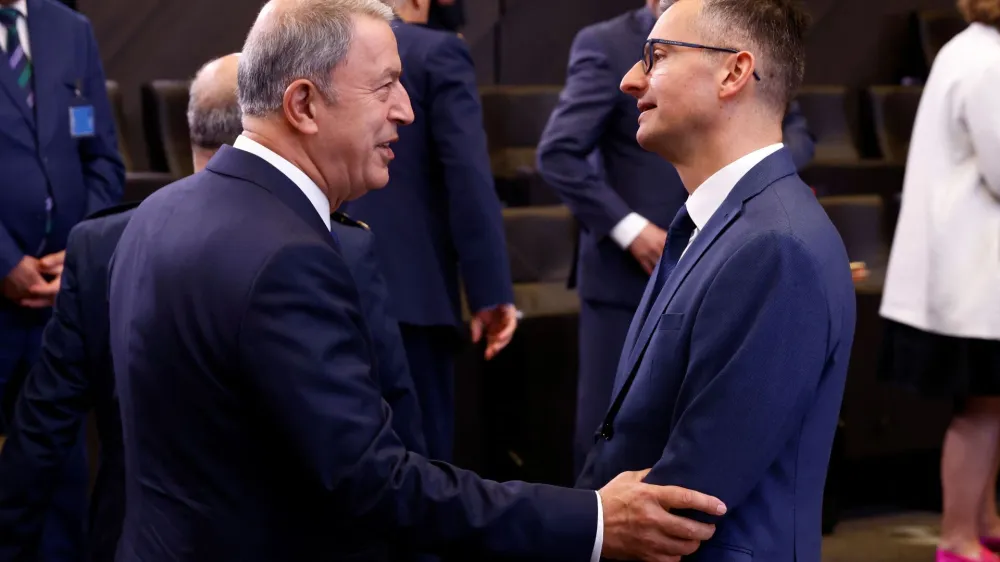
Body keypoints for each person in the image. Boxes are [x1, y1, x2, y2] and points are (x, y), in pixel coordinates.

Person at [108, 0, 726, 560]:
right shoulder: (287, 256)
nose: (405, 109)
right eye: (386, 87)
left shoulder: (158, 214)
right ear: (302, 105)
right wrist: (593, 518)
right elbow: (376, 483)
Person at [0, 51, 432, 562]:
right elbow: (396, 431)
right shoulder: (338, 247)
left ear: (190, 136)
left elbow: (42, 431)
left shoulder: (98, 245)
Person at [574, 0, 856, 561]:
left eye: (657, 56)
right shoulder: (718, 222)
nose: (631, 80)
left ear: (734, 72)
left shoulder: (775, 247)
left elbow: (690, 495)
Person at [535, 0, 816, 475]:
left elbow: (788, 124)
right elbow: (559, 153)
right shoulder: (603, 43)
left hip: (732, 252)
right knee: (612, 443)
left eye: (660, 58)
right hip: (630, 276)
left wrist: (759, 178)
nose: (634, 79)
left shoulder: (745, 31)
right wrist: (632, 231)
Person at [342, 0, 516, 462]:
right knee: (419, 460)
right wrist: (490, 292)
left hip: (326, 280)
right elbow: (468, 175)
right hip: (411, 293)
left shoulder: (323, 46)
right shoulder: (439, 52)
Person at [0, 0, 123, 559]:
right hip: (3, 291)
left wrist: (79, 249)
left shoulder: (70, 29)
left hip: (59, 301)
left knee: (61, 473)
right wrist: (3, 262)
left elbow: (103, 162)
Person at [879, 1, 1000, 560]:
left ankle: (983, 519)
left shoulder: (971, 49)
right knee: (981, 409)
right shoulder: (987, 60)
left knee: (989, 406)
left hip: (971, 271)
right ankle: (957, 537)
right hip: (972, 276)